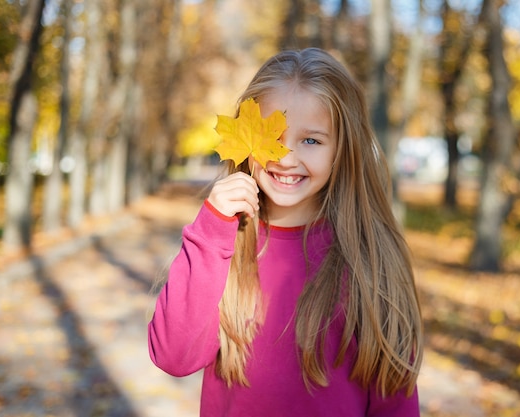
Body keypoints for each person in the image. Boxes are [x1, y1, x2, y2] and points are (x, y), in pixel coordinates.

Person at [148, 47, 423, 416]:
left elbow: (395, 396)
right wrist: (211, 232)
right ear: (246, 139)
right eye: (272, 136)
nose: (286, 157)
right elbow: (173, 355)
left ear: (341, 149)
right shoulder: (223, 246)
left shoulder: (369, 258)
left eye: (311, 140)